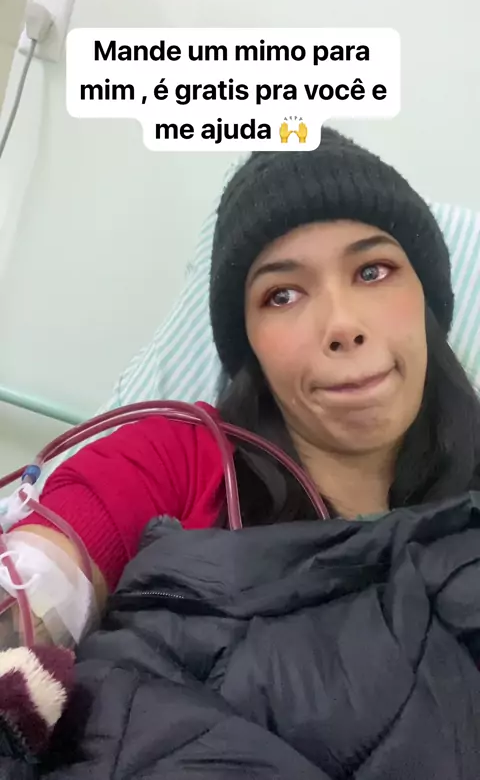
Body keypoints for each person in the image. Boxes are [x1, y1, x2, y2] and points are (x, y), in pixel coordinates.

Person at [2, 127, 480, 778]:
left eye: (373, 271)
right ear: (248, 342)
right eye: (283, 294)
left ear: (426, 295)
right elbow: (42, 578)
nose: (342, 325)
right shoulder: (178, 456)